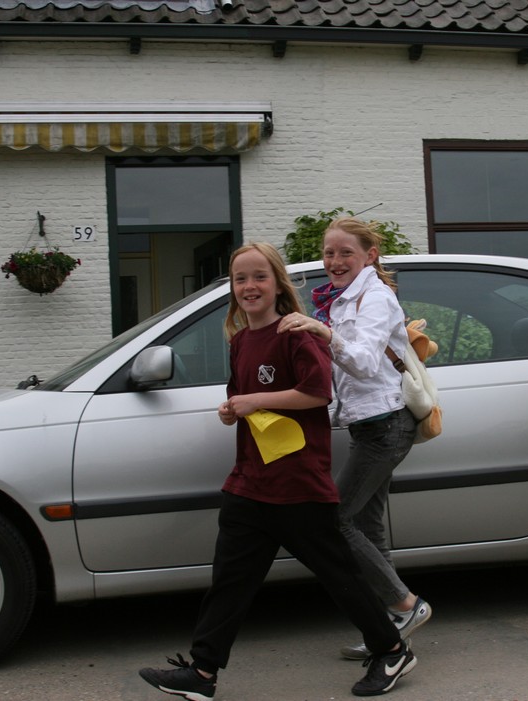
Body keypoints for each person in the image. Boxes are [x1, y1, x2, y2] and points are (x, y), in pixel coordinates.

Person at [138, 242, 417, 699]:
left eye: (259, 277)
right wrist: (232, 410)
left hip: (297, 482)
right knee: (230, 581)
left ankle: (391, 649)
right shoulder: (240, 341)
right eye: (240, 279)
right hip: (249, 481)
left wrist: (255, 400)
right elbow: (243, 397)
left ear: (277, 284)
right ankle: (202, 673)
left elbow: (318, 392)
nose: (249, 286)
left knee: (339, 576)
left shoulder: (296, 334)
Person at [278, 217, 432, 660]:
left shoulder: (375, 298)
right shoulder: (338, 299)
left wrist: (322, 332)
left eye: (346, 252)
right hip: (369, 424)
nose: (335, 261)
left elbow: (362, 363)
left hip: (388, 425)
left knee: (334, 521)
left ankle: (407, 605)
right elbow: (340, 377)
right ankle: (388, 628)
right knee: (366, 524)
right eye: (329, 253)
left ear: (369, 255)